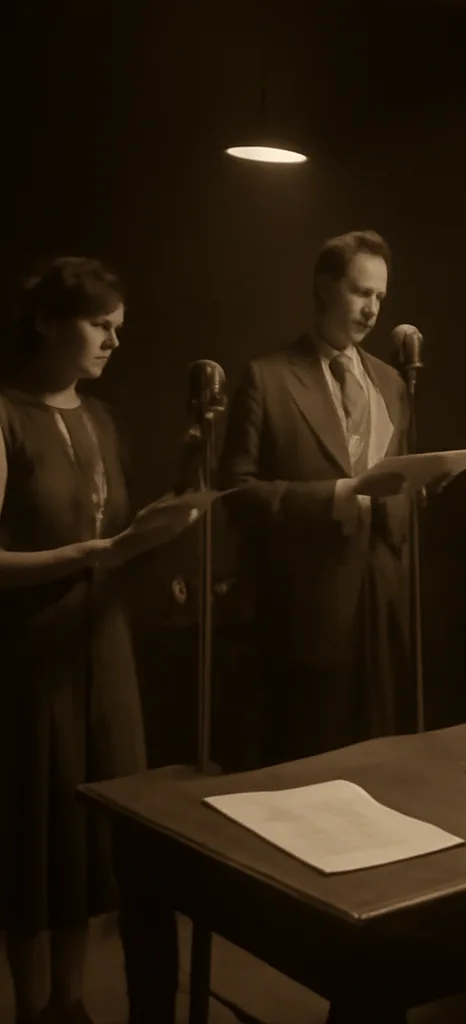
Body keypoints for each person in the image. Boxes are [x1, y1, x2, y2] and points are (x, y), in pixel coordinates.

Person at [0, 257, 200, 1024]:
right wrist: (86, 557)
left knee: (96, 823)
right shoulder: (6, 416)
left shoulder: (103, 418)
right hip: (31, 654)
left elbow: (113, 535)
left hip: (104, 645)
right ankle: (28, 1004)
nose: (114, 341)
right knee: (34, 826)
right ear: (50, 322)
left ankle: (73, 998)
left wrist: (163, 527)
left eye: (120, 328)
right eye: (99, 324)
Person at [218, 230, 413, 767]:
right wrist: (336, 495)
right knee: (311, 757)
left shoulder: (392, 382)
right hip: (306, 605)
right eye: (359, 292)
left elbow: (402, 487)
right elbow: (236, 493)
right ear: (324, 288)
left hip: (382, 596)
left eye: (379, 297)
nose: (371, 309)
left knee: (382, 756)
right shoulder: (269, 377)